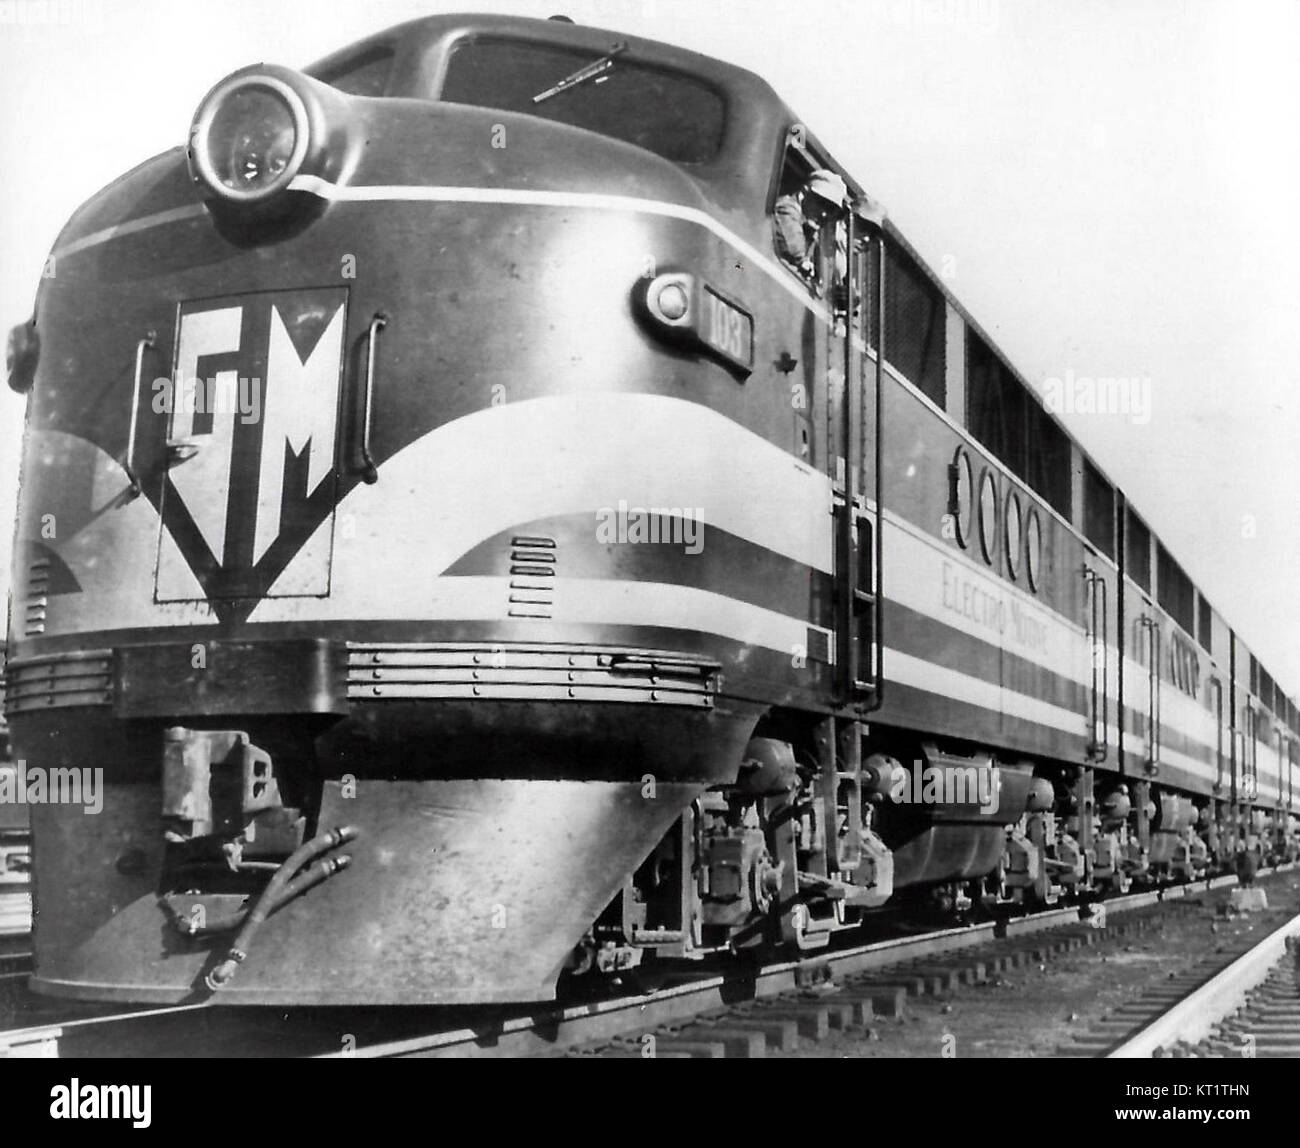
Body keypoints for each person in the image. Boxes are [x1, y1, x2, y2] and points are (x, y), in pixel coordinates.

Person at [773, 169, 847, 296]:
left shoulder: (811, 233)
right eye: (821, 203)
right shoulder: (787, 208)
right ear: (803, 193)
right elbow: (794, 249)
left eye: (831, 210)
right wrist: (803, 262)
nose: (824, 214)